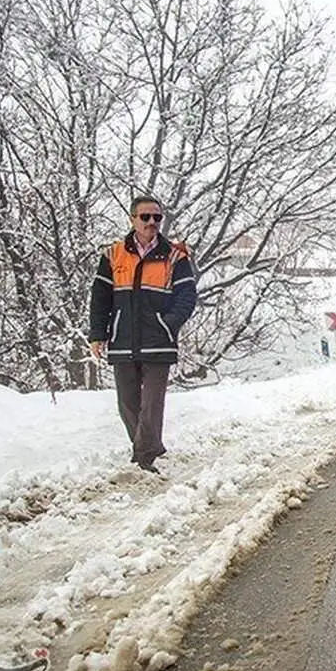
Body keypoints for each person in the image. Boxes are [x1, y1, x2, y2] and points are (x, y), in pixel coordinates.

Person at [88, 196, 197, 474]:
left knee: (152, 402)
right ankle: (149, 446)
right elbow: (100, 298)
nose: (151, 223)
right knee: (127, 402)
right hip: (122, 340)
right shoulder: (112, 255)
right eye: (145, 217)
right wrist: (97, 334)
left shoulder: (175, 255)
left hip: (158, 341)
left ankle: (143, 457)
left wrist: (167, 324)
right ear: (132, 219)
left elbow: (187, 297)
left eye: (156, 218)